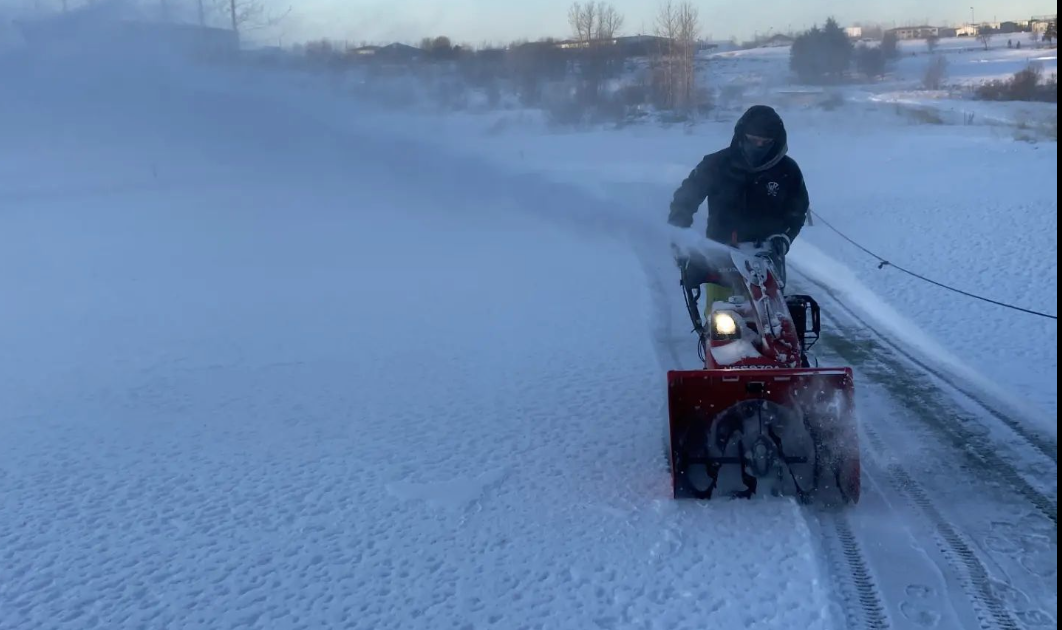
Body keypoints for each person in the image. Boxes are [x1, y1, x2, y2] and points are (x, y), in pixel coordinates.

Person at [668, 105, 810, 305]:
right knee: (720, 318)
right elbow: (686, 198)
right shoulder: (716, 164)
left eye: (765, 142)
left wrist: (784, 238)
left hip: (767, 257)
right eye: (753, 140)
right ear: (741, 136)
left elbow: (797, 211)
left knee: (771, 317)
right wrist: (681, 236)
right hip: (720, 251)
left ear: (776, 141)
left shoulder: (787, 171)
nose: (758, 146)